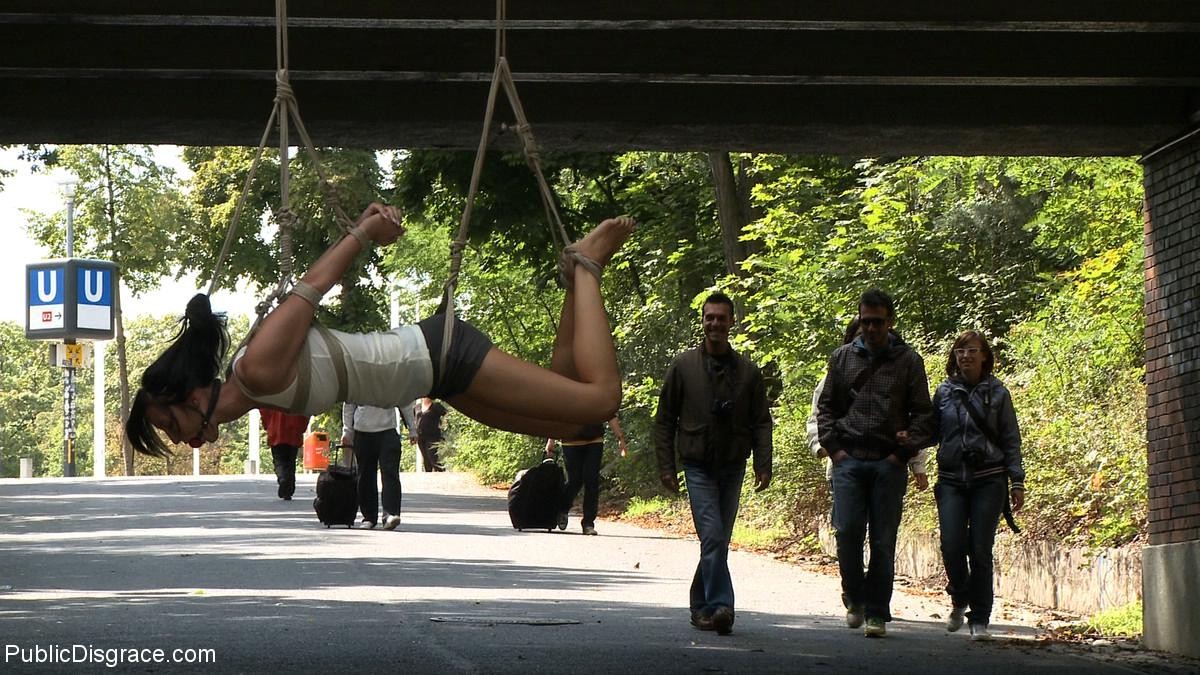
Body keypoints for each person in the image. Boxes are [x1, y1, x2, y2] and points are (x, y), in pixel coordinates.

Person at [125, 204, 634, 460]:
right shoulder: (255, 392)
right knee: (577, 430)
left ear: (191, 395)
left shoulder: (255, 368)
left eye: (169, 423)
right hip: (437, 379)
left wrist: (364, 233)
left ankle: (587, 267)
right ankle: (575, 279)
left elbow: (310, 288)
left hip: (440, 353)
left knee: (601, 400)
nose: (179, 438)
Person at [653, 292, 773, 636]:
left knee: (717, 540)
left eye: (721, 318)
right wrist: (666, 466)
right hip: (697, 465)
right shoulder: (683, 367)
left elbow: (761, 421)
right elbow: (665, 420)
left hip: (733, 464)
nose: (715, 324)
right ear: (703, 321)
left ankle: (699, 605)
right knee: (714, 536)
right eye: (710, 318)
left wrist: (763, 463)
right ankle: (722, 605)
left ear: (732, 322)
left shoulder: (748, 373)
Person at [816, 287, 932, 638]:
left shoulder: (908, 361)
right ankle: (854, 596)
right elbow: (826, 408)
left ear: (890, 322)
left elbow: (923, 414)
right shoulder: (841, 358)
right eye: (865, 321)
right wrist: (835, 450)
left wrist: (904, 452)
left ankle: (878, 610)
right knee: (848, 531)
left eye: (877, 322)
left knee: (883, 539)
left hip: (888, 464)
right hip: (849, 460)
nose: (870, 328)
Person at [931, 330, 1025, 641]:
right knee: (952, 544)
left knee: (980, 548)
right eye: (960, 351)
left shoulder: (999, 394)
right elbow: (930, 431)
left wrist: (1017, 480)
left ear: (984, 356)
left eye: (972, 351)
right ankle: (959, 596)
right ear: (954, 357)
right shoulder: (944, 393)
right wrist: (906, 440)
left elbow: (1011, 439)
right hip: (951, 479)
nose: (966, 356)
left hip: (989, 478)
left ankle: (979, 618)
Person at [807, 319, 928, 505]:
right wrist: (825, 447)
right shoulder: (838, 370)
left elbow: (914, 417)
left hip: (888, 461)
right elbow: (821, 412)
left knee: (884, 529)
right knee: (848, 529)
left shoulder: (900, 369)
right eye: (859, 335)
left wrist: (916, 462)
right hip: (845, 463)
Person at [545, 416, 628, 536]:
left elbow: (610, 414)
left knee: (591, 480)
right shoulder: (568, 396)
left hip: (594, 440)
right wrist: (551, 441)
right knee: (575, 481)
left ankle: (588, 524)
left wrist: (620, 437)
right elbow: (560, 412)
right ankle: (563, 509)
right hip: (570, 440)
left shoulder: (599, 396)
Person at [342, 403, 406, 531]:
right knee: (365, 476)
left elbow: (405, 399)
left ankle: (390, 514)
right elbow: (349, 404)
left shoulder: (393, 381)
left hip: (388, 430)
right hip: (362, 431)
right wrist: (348, 431)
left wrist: (413, 427)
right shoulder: (358, 382)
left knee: (390, 473)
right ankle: (369, 517)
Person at [258, 408, 309, 500]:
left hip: (276, 430)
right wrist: (302, 427)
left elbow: (264, 409)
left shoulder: (272, 395)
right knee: (290, 461)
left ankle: (283, 479)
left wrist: (267, 424)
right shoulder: (297, 394)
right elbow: (305, 410)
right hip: (293, 431)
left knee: (279, 461)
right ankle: (288, 489)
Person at [414, 397, 449, 472]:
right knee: (425, 457)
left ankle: (441, 471)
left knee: (432, 455)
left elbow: (447, 414)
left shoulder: (436, 406)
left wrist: (444, 424)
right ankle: (428, 474)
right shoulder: (417, 407)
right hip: (420, 436)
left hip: (433, 435)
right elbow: (414, 419)